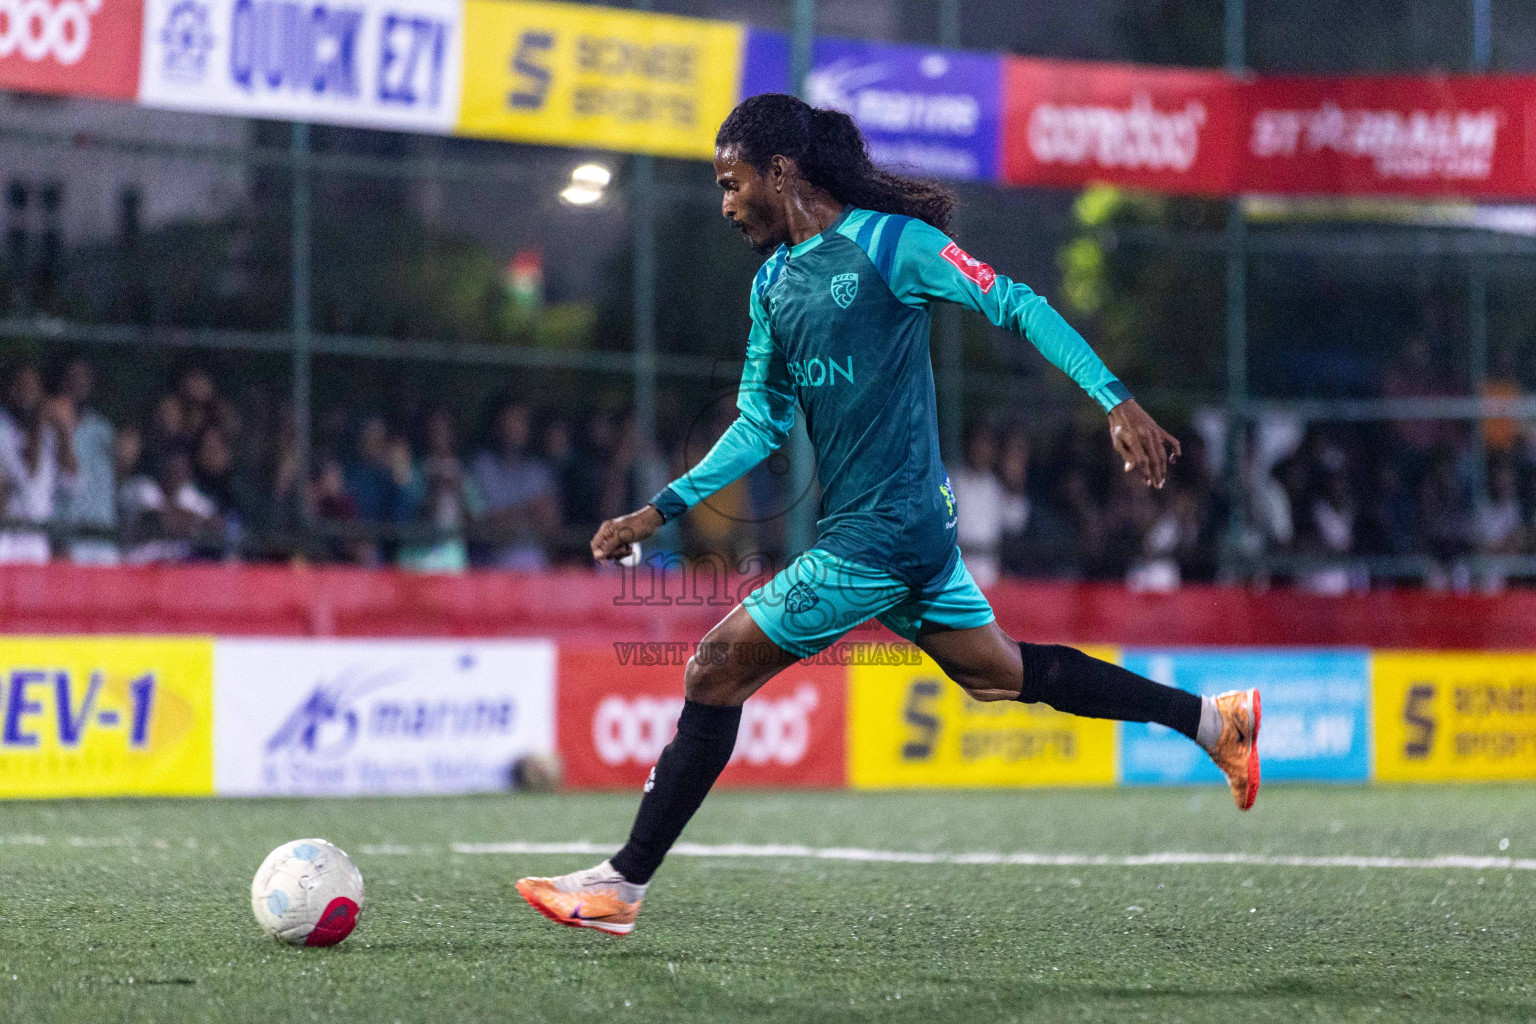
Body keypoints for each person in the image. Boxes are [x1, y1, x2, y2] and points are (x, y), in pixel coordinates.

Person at [515, 94, 1261, 936]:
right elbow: (762, 421)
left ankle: (621, 884)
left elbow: (1011, 301)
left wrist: (1112, 397)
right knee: (999, 673)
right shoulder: (771, 287)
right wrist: (661, 508)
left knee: (714, 668)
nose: (725, 206)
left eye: (733, 184)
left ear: (781, 172)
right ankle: (1213, 720)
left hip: (888, 532)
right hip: (893, 534)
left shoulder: (892, 245)